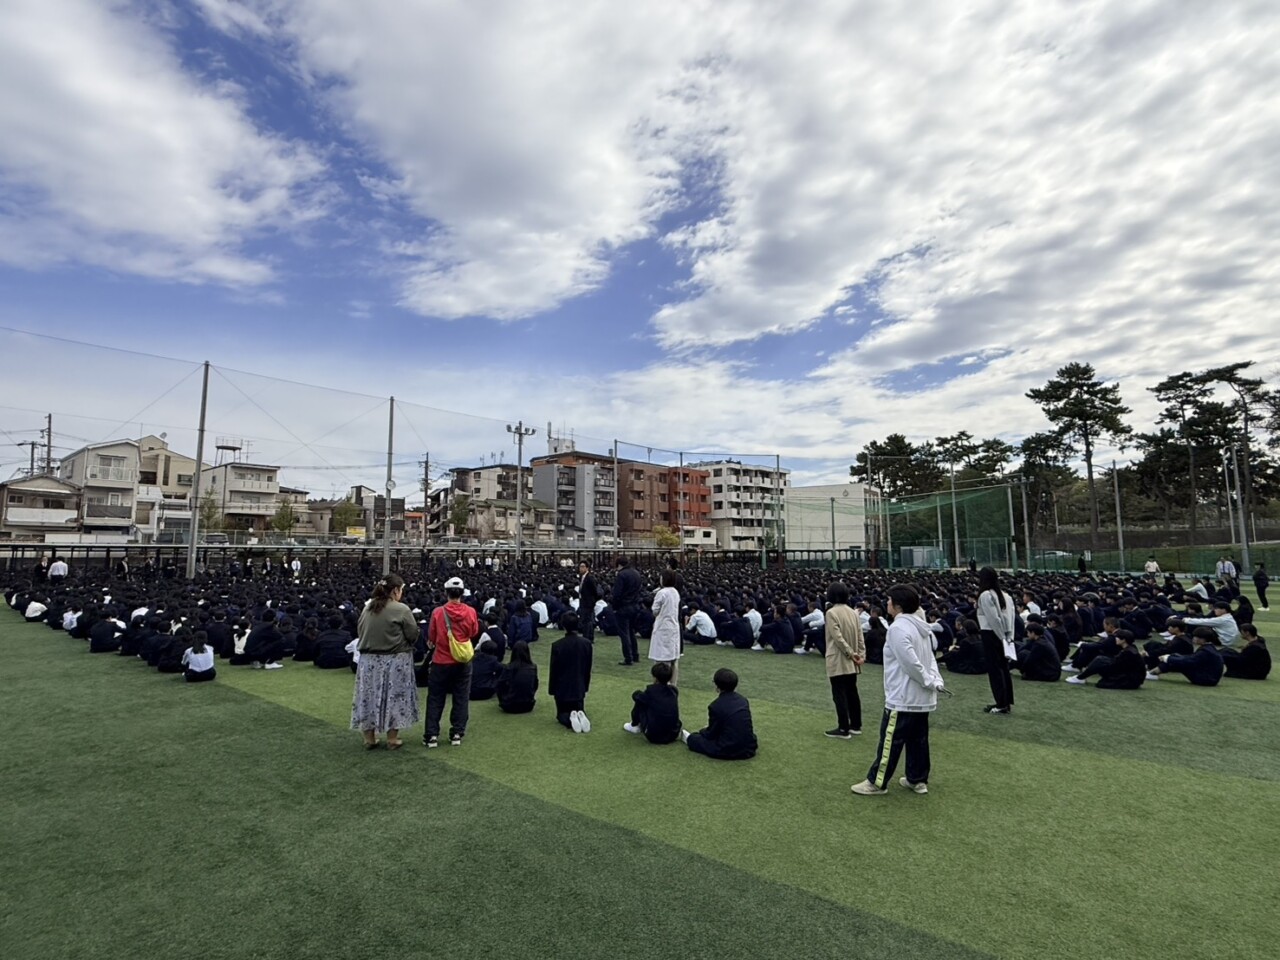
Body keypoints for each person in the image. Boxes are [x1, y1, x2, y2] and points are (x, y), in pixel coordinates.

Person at [852, 584, 945, 796]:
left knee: (891, 740)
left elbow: (910, 663)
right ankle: (917, 778)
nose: (887, 604)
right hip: (920, 697)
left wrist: (929, 681)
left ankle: (876, 782)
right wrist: (934, 680)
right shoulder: (921, 626)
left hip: (903, 696)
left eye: (889, 600)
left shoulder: (898, 628)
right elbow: (929, 658)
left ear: (898, 605)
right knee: (918, 740)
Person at [351, 574, 419, 750]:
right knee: (395, 697)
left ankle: (369, 738)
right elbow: (412, 634)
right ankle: (392, 738)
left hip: (368, 661)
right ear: (396, 590)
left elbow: (360, 630)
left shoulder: (367, 608)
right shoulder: (401, 609)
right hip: (395, 660)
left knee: (368, 697)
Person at [424, 576, 480, 748]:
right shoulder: (470, 611)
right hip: (462, 660)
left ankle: (432, 735)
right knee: (461, 697)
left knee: (435, 697)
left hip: (441, 660)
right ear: (462, 593)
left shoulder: (438, 612)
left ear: (446, 592)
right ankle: (457, 732)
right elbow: (473, 632)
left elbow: (431, 637)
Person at [683, 668, 757, 760]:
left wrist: (703, 731)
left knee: (693, 739)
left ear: (717, 687)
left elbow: (711, 734)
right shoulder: (743, 700)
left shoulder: (715, 706)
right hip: (749, 747)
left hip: (728, 749)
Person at [823, 581, 865, 739]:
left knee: (839, 693)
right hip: (853, 658)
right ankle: (856, 724)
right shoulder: (853, 612)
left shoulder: (831, 612)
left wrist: (850, 653)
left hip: (839, 657)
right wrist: (860, 653)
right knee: (852, 691)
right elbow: (860, 635)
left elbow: (837, 637)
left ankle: (843, 728)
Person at [976, 566, 1017, 714]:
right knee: (1003, 669)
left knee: (995, 670)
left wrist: (1001, 637)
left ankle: (1001, 703)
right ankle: (1005, 702)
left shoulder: (985, 595)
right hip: (1004, 634)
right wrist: (1008, 637)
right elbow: (1010, 618)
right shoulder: (1006, 595)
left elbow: (993, 619)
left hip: (991, 634)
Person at [549, 612, 594, 733]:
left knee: (561, 714)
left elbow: (554, 670)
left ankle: (570, 720)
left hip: (562, 689)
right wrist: (585, 686)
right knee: (578, 708)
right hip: (579, 687)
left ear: (563, 625)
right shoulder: (586, 644)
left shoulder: (557, 645)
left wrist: (552, 690)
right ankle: (580, 715)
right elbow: (587, 668)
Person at [1064, 629, 1145, 689]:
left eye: (1117, 637)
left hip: (1130, 679)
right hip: (1129, 676)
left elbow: (1118, 666)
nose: (1115, 639)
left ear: (1123, 640)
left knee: (1100, 661)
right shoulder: (1130, 648)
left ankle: (1080, 677)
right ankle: (1080, 677)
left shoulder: (1128, 652)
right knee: (1100, 660)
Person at [624, 661, 682, 744]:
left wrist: (638, 694)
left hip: (654, 736)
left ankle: (634, 725)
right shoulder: (674, 690)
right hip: (674, 734)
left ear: (655, 678)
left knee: (640, 701)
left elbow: (636, 696)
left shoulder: (651, 692)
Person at [1150, 627, 1224, 686]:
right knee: (1175, 656)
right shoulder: (1209, 648)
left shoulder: (1205, 651)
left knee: (1177, 661)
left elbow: (1188, 661)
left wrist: (1168, 658)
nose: (1193, 638)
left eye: (1195, 637)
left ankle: (1152, 673)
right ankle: (1153, 672)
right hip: (1209, 677)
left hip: (1206, 680)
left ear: (1202, 639)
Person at [648, 569, 681, 685]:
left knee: (662, 660)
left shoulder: (661, 593)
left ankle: (660, 684)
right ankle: (673, 684)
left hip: (663, 626)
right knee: (673, 659)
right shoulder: (675, 592)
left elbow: (655, 610)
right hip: (673, 626)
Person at [611, 557, 644, 666]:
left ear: (619, 564)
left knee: (624, 634)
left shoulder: (621, 575)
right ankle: (635, 655)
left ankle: (628, 658)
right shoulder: (636, 573)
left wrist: (615, 607)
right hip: (635, 606)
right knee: (631, 631)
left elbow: (617, 594)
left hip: (623, 607)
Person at [496, 641, 539, 713]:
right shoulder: (533, 667)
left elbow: (499, 686)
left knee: (501, 683)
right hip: (528, 705)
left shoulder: (508, 668)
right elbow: (535, 685)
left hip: (509, 706)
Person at [577, 560, 599, 642]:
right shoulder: (582, 577)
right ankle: (588, 636)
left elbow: (594, 591)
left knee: (588, 621)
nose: (581, 568)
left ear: (587, 568)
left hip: (588, 603)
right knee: (586, 620)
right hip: (584, 602)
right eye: (580, 567)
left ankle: (587, 637)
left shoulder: (589, 578)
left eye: (583, 567)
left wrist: (592, 601)